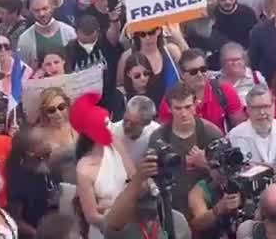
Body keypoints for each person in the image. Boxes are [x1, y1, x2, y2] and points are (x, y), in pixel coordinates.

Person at [149, 83, 224, 221]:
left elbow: (225, 180)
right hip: (171, 210)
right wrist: (181, 163)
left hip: (206, 211)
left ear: (195, 105)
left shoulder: (212, 134)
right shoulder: (159, 138)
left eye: (188, 107)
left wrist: (205, 164)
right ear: (169, 108)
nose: (183, 113)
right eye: (178, 108)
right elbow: (151, 176)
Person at [74, 93, 133, 239]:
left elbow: (134, 177)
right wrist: (114, 221)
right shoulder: (84, 169)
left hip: (132, 218)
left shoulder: (117, 145)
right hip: (105, 230)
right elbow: (91, 215)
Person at [101, 147, 192, 239]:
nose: (148, 183)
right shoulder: (122, 221)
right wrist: (138, 180)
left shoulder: (176, 220)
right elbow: (111, 226)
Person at [159, 48, 246, 133]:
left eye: (203, 69)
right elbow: (164, 133)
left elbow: (241, 127)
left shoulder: (225, 91)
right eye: (193, 72)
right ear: (182, 74)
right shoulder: (171, 98)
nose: (200, 75)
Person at [227, 85, 276, 169]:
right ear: (248, 109)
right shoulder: (234, 136)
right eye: (256, 108)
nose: (262, 112)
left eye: (266, 106)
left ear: (274, 107)